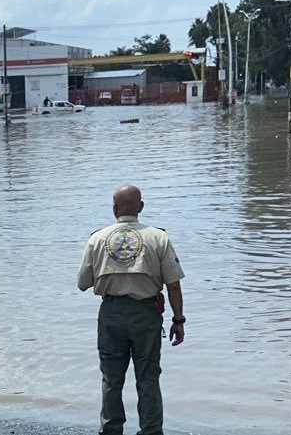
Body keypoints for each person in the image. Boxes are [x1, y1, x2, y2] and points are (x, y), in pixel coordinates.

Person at [77, 184, 185, 435]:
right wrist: (178, 320)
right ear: (141, 207)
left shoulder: (97, 238)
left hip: (111, 314)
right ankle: (151, 431)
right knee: (148, 378)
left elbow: (83, 283)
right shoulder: (158, 237)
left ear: (114, 209)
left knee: (111, 378)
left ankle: (110, 429)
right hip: (146, 314)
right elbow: (173, 285)